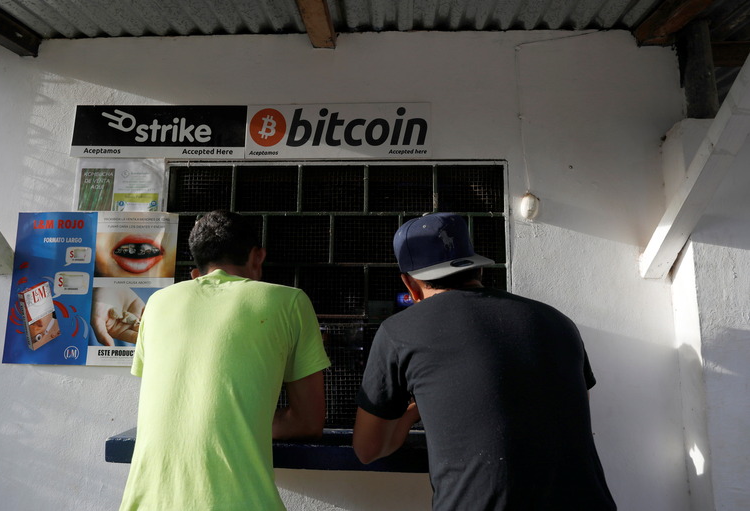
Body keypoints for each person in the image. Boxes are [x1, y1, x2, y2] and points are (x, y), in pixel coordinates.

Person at [353, 212, 616, 510]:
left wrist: (413, 411)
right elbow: (566, 411)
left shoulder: (400, 331)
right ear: (477, 269)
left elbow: (368, 448)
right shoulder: (557, 321)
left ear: (410, 285)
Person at [119, 210, 331, 511]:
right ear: (258, 256)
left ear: (197, 267)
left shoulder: (157, 303)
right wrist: (244, 422)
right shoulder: (289, 302)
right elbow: (308, 422)